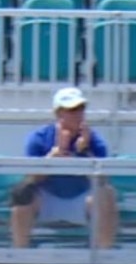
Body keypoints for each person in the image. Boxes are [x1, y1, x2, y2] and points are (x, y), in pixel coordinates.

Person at [11, 87, 118, 249]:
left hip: (82, 199)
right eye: (71, 110)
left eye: (80, 109)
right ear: (58, 113)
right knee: (22, 195)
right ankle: (19, 255)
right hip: (47, 198)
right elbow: (31, 179)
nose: (77, 114)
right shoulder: (38, 138)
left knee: (106, 194)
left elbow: (102, 180)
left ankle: (104, 257)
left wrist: (85, 153)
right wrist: (53, 158)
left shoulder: (95, 141)